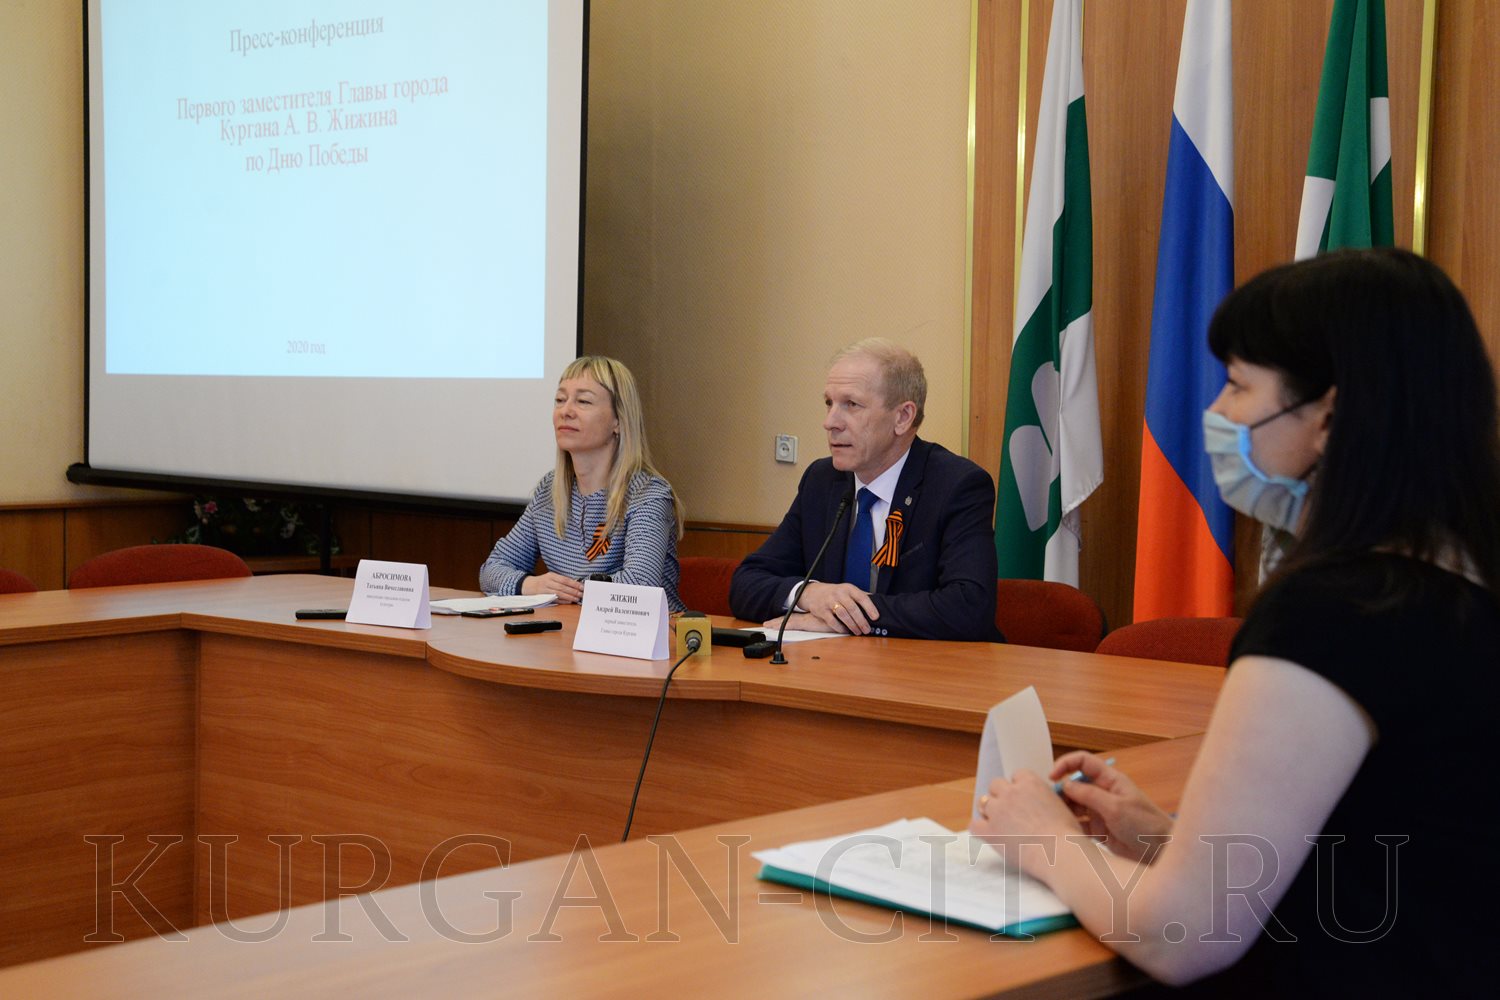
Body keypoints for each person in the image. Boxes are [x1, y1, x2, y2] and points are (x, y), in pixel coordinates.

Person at [971, 248, 1500, 994]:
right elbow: (1394, 856)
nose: (1216, 413)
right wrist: (1166, 840)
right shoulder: (1463, 586)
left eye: (1239, 385)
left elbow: (1183, 936)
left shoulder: (1336, 612)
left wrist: (1044, 837)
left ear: (1330, 417)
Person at [729, 338, 1000, 640]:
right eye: (829, 403)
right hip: (831, 663)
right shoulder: (822, 481)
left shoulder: (957, 485)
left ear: (903, 417)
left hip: (926, 666)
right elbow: (745, 583)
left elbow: (969, 607)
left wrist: (847, 616)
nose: (830, 422)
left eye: (852, 405)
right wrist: (810, 594)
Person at [479, 356, 685, 611]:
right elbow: (491, 569)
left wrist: (568, 591)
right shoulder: (550, 490)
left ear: (618, 420)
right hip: (572, 629)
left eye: (583, 401)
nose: (565, 411)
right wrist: (531, 585)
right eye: (560, 400)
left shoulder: (647, 494)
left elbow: (640, 585)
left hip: (648, 632)